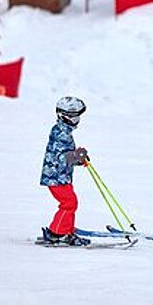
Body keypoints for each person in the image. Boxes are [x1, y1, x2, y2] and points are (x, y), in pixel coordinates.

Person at [39, 96, 92, 246]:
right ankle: (58, 233)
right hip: (55, 178)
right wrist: (75, 156)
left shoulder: (63, 131)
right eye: (76, 117)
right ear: (66, 116)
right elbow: (60, 157)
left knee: (70, 202)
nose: (78, 120)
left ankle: (65, 230)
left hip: (61, 177)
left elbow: (66, 157)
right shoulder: (60, 134)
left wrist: (79, 159)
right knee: (69, 203)